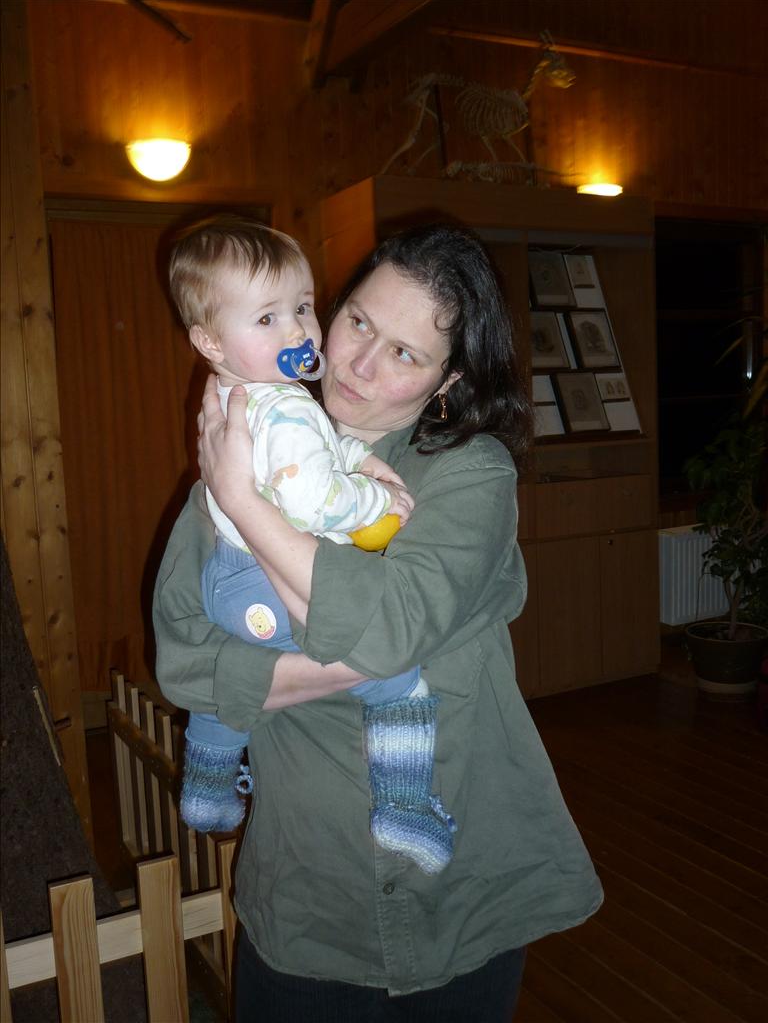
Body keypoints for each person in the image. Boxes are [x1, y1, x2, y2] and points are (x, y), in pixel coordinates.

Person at [153, 222, 603, 1021]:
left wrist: (246, 505)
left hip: (459, 894)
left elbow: (385, 632)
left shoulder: (469, 476)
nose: (359, 364)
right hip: (307, 899)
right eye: (357, 321)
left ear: (447, 381)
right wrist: (345, 661)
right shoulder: (235, 458)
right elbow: (182, 661)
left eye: (405, 353)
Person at [168, 215, 456, 873]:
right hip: (265, 582)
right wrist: (375, 501)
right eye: (267, 318)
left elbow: (313, 447)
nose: (297, 331)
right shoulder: (283, 405)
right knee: (396, 677)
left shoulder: (250, 397)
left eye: (302, 307)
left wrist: (360, 458)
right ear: (209, 339)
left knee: (235, 675)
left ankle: (208, 784)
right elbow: (311, 499)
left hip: (230, 581)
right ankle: (405, 804)